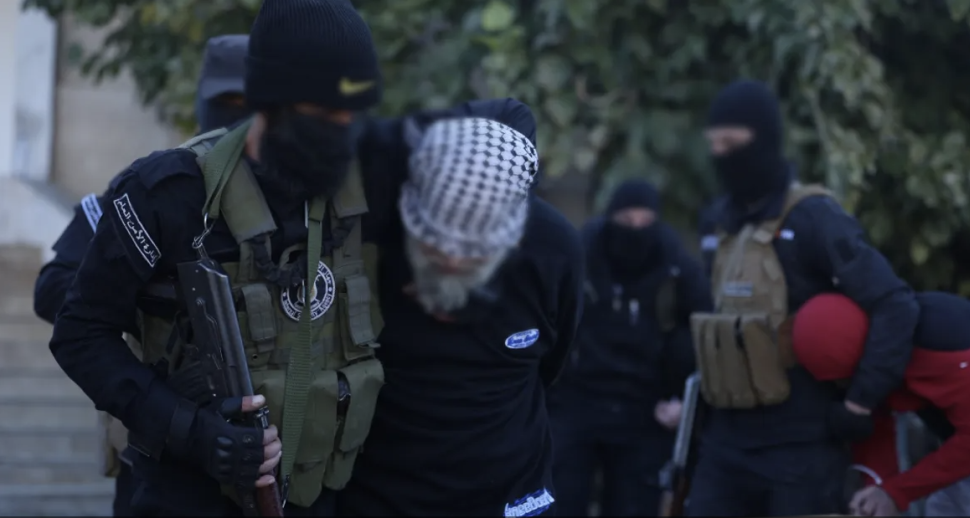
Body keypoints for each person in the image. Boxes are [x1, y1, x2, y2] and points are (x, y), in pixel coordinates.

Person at [47, 0, 385, 514]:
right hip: (185, 496)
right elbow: (80, 334)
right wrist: (192, 431)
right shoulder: (169, 193)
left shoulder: (363, 191)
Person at [32, 33, 250, 517]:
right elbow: (53, 288)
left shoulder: (291, 204)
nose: (235, 119)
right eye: (227, 104)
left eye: (247, 105)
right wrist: (149, 304)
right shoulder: (156, 192)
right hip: (160, 442)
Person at [684, 79, 920, 516]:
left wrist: (859, 402)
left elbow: (894, 304)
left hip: (801, 447)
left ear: (764, 139)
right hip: (724, 444)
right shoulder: (717, 222)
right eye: (713, 144)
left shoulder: (814, 219)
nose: (720, 155)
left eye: (731, 143)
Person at [336, 117, 584, 517]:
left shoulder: (553, 249)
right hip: (382, 494)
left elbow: (554, 361)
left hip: (511, 494)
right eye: (436, 239)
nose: (452, 258)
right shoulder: (370, 237)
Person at [547, 179, 711, 516]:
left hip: (645, 410)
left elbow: (705, 332)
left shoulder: (675, 266)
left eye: (644, 221)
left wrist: (684, 403)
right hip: (576, 401)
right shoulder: (579, 256)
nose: (635, 230)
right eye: (626, 220)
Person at [793, 291, 970, 517]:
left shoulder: (937, 343)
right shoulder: (878, 346)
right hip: (968, 452)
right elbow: (878, 423)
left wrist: (896, 492)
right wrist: (876, 492)